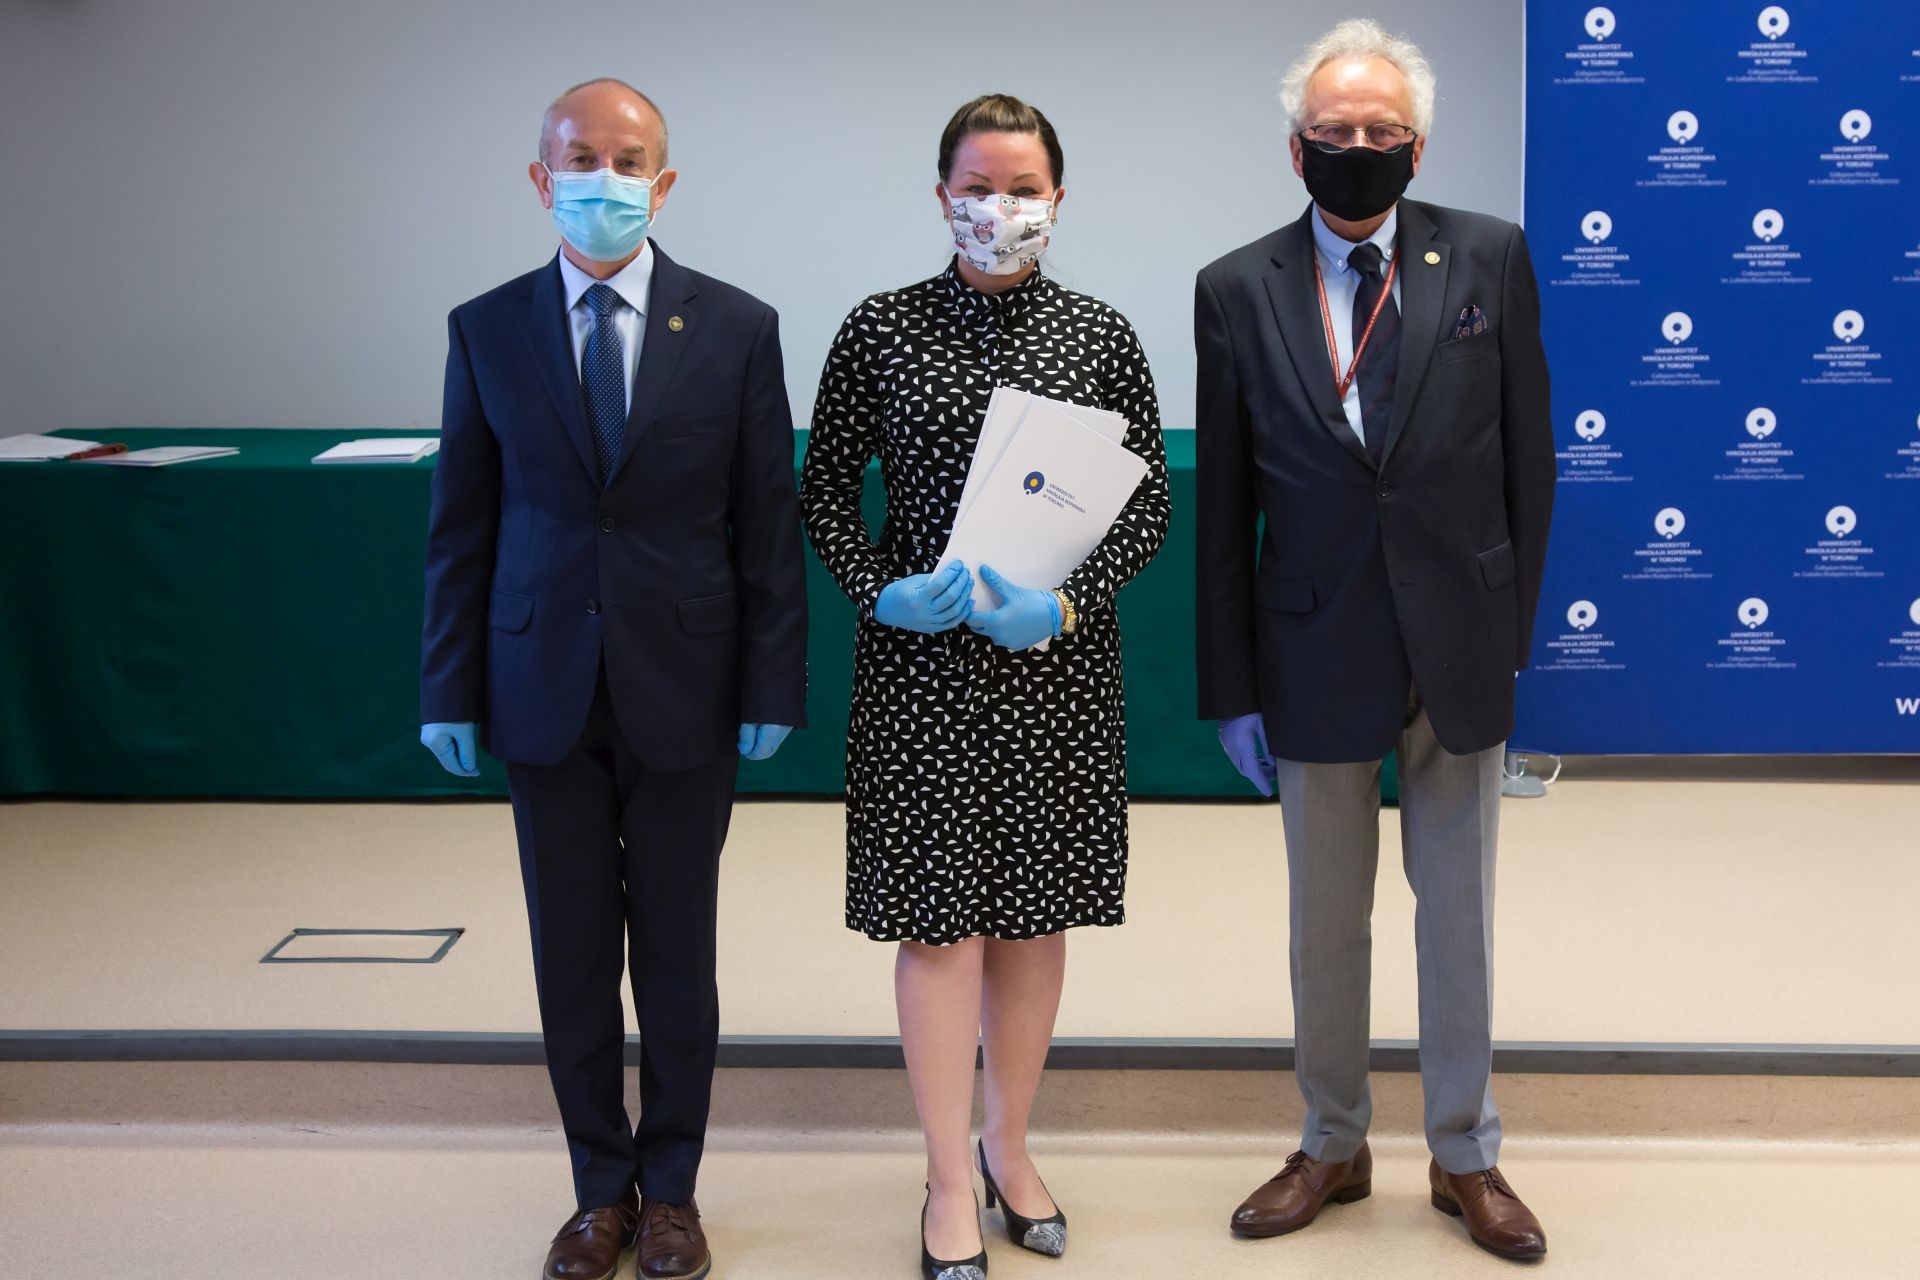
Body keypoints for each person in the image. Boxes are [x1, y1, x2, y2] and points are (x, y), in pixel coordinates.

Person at [418, 78, 808, 1280]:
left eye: (628, 161)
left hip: (687, 684)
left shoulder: (736, 325)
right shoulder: (486, 327)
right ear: (541, 179)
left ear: (664, 182)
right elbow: (461, 523)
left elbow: (768, 522)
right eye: (579, 159)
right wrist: (446, 686)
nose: (604, 179)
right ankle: (599, 1189)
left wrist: (773, 684)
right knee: (573, 952)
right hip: (539, 683)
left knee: (678, 952)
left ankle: (673, 1189)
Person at [1193, 20, 1556, 1262]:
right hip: (1311, 643)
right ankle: (1332, 1140)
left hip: (1459, 636)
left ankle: (1466, 1152)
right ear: (1297, 148)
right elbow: (1224, 500)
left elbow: (1530, 457)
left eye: (1381, 130)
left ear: (1418, 145)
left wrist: (1510, 635)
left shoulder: (1490, 256)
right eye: (1335, 130)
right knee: (1324, 918)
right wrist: (1230, 684)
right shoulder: (1235, 286)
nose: (1360, 145)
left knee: (1459, 913)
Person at [801, 93, 1169, 1279]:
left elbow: (1148, 503)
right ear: (941, 195)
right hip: (922, 674)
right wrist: (880, 590)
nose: (998, 207)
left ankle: (1010, 1144)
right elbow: (823, 491)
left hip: (1053, 671)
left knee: (1032, 916)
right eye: (976, 187)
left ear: (1058, 200)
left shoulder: (1101, 334)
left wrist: (1065, 604)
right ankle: (947, 1177)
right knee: (938, 920)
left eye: (1021, 189)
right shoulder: (881, 327)